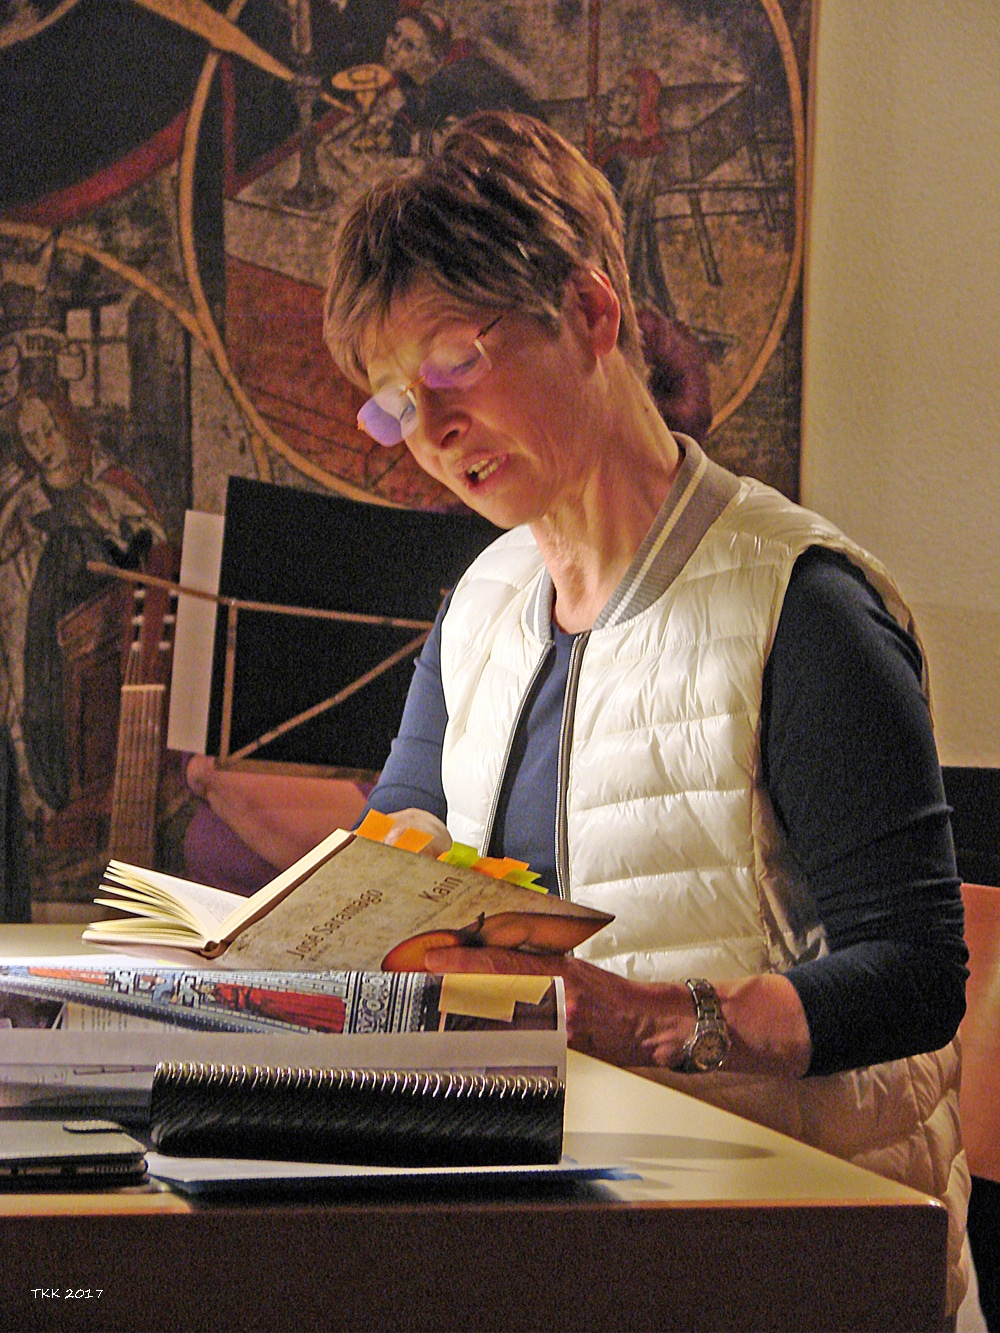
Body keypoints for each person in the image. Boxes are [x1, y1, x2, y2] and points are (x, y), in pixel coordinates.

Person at [321, 110, 970, 1314]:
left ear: (589, 312)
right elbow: (403, 846)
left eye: (453, 364)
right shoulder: (483, 603)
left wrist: (656, 1020)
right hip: (562, 1233)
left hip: (789, 1254)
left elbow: (916, 977)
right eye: (396, 406)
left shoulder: (801, 607)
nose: (434, 433)